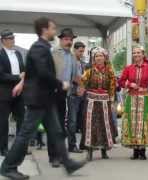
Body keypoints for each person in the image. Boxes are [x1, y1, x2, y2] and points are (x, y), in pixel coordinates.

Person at [0, 17, 86, 180]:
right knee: (26, 134)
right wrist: (61, 84)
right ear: (45, 30)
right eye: (53, 29)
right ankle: (8, 166)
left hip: (45, 98)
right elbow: (43, 73)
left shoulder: (43, 47)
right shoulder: (39, 48)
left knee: (56, 131)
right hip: (38, 99)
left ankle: (67, 163)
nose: (55, 31)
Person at [48, 28, 80, 168]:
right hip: (51, 92)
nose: (69, 41)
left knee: (60, 126)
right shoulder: (53, 53)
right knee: (53, 126)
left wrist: (80, 86)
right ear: (60, 40)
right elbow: (47, 73)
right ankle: (53, 157)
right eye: (66, 39)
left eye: (70, 39)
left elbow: (76, 75)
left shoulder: (72, 56)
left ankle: (60, 156)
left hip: (64, 94)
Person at [78, 47, 116, 161]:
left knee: (105, 125)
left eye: (101, 56)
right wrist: (81, 88)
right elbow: (82, 81)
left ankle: (104, 151)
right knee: (90, 125)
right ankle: (89, 151)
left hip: (104, 101)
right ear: (94, 59)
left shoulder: (110, 72)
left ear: (105, 58)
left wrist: (112, 101)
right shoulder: (89, 71)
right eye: (97, 56)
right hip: (91, 101)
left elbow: (112, 87)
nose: (99, 58)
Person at [119, 45, 148, 160]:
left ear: (143, 54)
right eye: (134, 53)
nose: (136, 55)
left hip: (144, 98)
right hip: (131, 98)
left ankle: (143, 151)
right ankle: (135, 151)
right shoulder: (128, 68)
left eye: (138, 53)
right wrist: (130, 84)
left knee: (144, 123)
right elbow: (121, 81)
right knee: (132, 124)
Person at [0, 29, 25, 157]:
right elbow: (1, 75)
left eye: (13, 38)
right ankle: (3, 148)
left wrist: (24, 76)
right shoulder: (0, 54)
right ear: (3, 40)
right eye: (10, 38)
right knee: (3, 121)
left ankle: (20, 147)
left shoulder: (18, 54)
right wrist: (18, 77)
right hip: (4, 93)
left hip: (19, 92)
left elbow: (23, 70)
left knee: (22, 119)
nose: (13, 40)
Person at [67, 41, 87, 153]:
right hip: (73, 94)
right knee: (72, 121)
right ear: (74, 50)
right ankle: (71, 145)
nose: (82, 53)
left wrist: (83, 87)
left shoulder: (83, 63)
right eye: (80, 51)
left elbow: (84, 77)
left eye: (83, 51)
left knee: (81, 120)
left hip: (82, 94)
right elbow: (73, 76)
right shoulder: (70, 61)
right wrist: (81, 85)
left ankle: (82, 144)